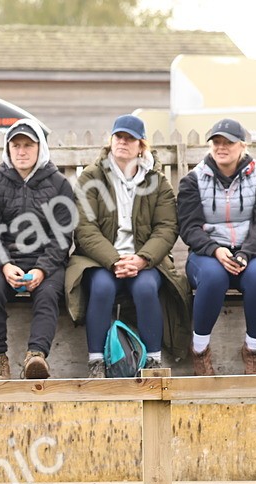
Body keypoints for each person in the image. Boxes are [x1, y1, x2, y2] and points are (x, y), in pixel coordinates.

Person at [67, 115, 188, 377]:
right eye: (118, 137)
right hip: (99, 260)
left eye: (130, 138)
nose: (123, 142)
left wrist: (143, 259)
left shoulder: (157, 182)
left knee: (146, 288)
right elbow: (84, 229)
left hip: (144, 260)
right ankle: (96, 362)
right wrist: (114, 260)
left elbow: (167, 227)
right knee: (101, 286)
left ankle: (153, 362)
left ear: (141, 146)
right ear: (111, 140)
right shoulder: (91, 177)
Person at [177, 118, 256, 375]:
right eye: (216, 142)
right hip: (207, 253)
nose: (221, 147)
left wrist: (246, 253)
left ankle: (253, 350)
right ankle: (199, 350)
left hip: (252, 251)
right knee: (212, 277)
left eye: (228, 142)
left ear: (242, 145)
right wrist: (214, 250)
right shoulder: (193, 180)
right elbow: (189, 227)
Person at [0, 119, 76, 379]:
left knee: (49, 294)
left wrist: (42, 269)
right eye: (16, 145)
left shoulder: (59, 184)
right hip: (5, 261)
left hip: (47, 261)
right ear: (8, 148)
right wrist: (5, 265)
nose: (21, 151)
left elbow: (62, 236)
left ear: (39, 148)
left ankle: (36, 357)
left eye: (28, 145)